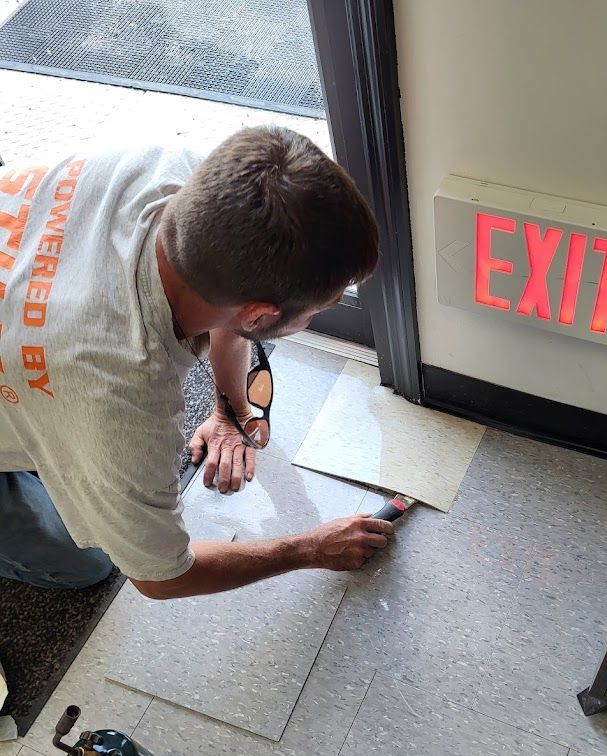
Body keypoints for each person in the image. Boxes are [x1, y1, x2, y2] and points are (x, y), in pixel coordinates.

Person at [0, 127, 394, 600]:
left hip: (39, 345)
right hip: (58, 367)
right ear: (260, 315)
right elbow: (162, 577)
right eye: (321, 307)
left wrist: (229, 411)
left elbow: (230, 307)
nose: (321, 312)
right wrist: (309, 548)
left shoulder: (186, 175)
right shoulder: (121, 400)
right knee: (89, 560)